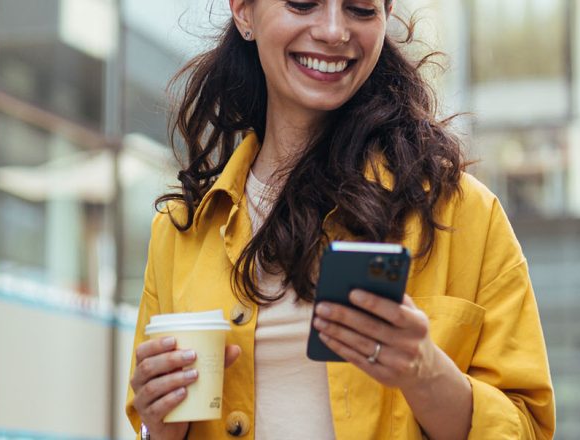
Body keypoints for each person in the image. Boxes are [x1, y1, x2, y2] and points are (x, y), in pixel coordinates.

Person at [125, 1, 554, 438]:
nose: (333, 31)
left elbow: (529, 429)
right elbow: (151, 425)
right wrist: (158, 427)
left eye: (361, 9)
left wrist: (424, 371)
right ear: (244, 12)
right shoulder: (180, 232)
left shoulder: (464, 214)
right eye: (302, 3)